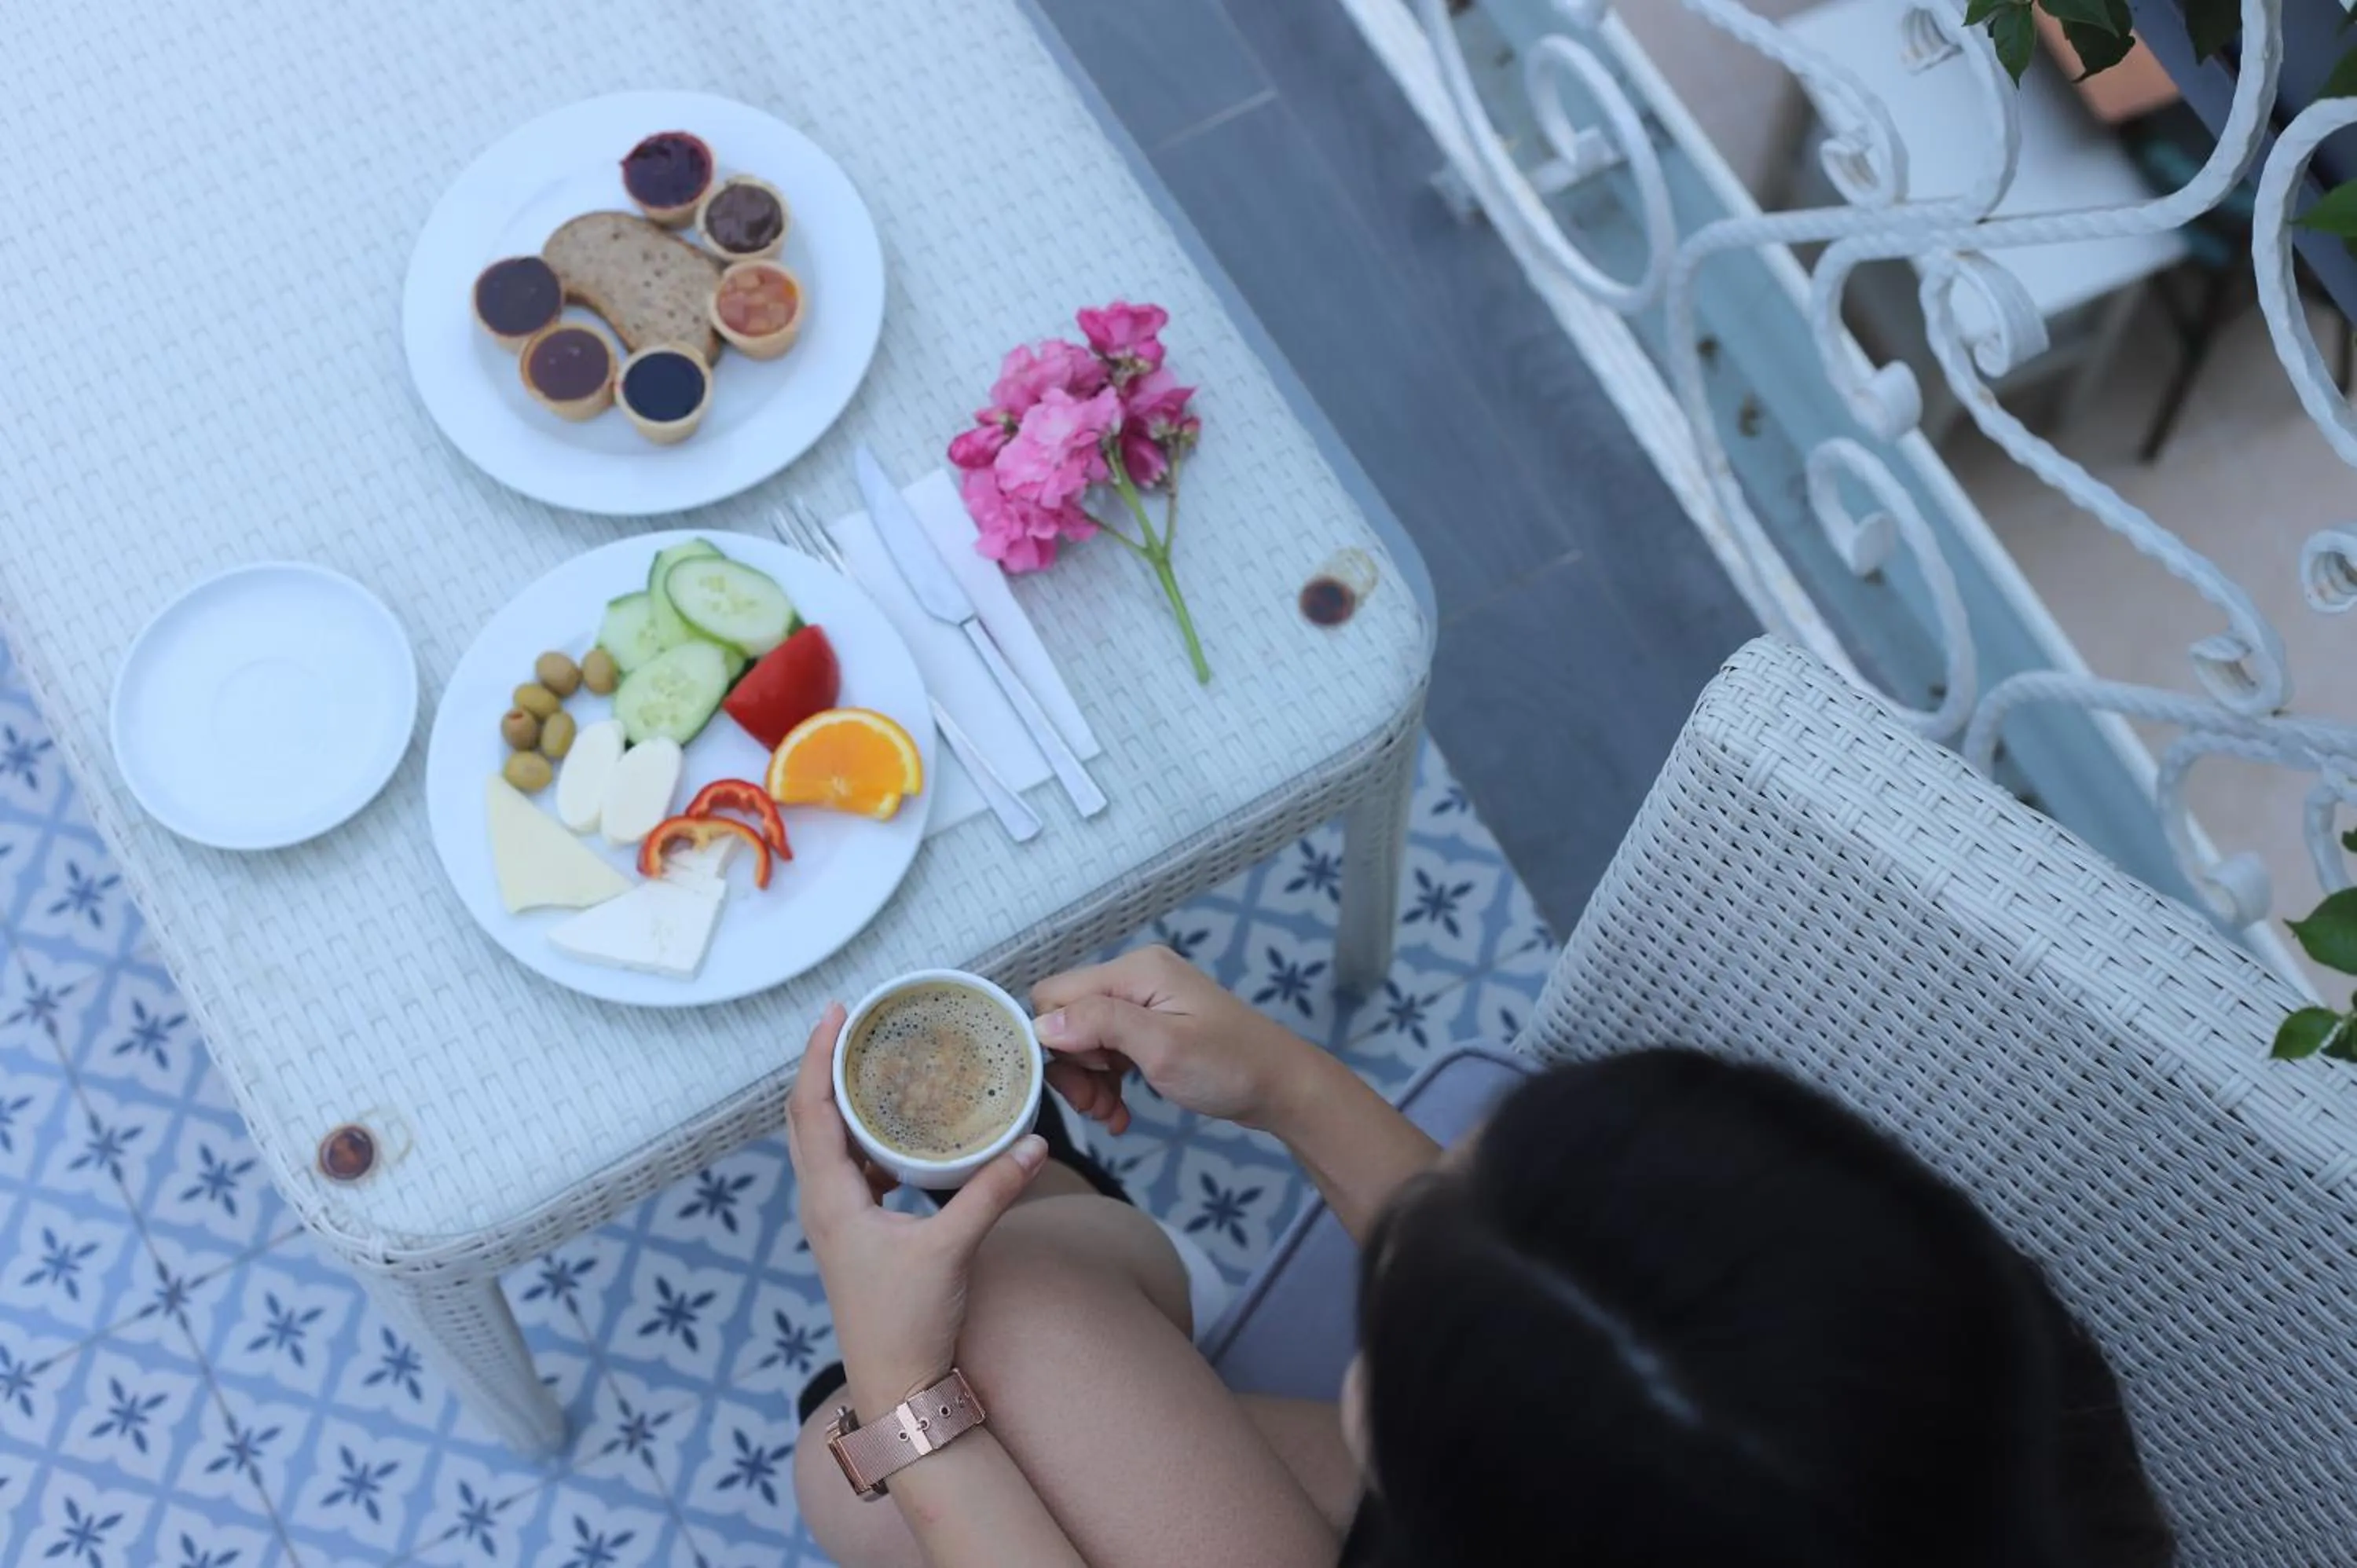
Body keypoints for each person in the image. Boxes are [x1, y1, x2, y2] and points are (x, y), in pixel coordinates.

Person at [786, 946, 2173, 1568]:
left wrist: (911, 1404)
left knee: (861, 1459)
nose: (1400, 1224)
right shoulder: (2013, 1437)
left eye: (1392, 1334)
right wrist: (1287, 1085)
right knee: (941, 1384)